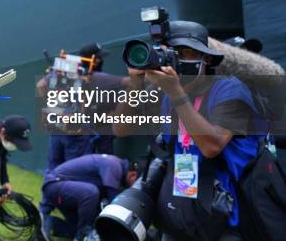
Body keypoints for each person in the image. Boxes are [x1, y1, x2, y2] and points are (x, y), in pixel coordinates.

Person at [113, 20, 265, 240]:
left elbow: (212, 146)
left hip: (227, 220)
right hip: (182, 214)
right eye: (169, 54)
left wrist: (176, 94)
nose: (175, 61)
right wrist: (136, 84)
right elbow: (120, 129)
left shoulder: (231, 90)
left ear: (207, 58)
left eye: (185, 53)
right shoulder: (167, 91)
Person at [37, 42, 126, 172]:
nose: (101, 60)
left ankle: (52, 188)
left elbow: (40, 85)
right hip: (80, 133)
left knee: (53, 169)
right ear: (94, 60)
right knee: (75, 170)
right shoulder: (96, 77)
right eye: (99, 58)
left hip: (57, 127)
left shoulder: (65, 70)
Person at [40, 154, 138, 240]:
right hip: (55, 186)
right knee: (91, 193)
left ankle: (47, 222)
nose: (135, 186)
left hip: (70, 194)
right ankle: (81, 237)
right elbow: (113, 204)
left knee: (81, 228)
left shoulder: (117, 167)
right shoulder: (114, 164)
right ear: (133, 174)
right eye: (136, 181)